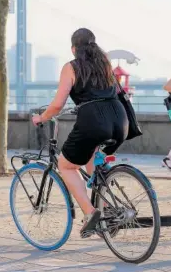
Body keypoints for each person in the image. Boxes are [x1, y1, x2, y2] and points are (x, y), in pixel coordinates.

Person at [31, 28, 128, 238]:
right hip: (120, 121)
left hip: (94, 122)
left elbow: (57, 105)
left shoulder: (72, 67)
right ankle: (106, 214)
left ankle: (91, 213)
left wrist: (41, 117)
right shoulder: (105, 63)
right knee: (94, 162)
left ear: (74, 48)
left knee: (66, 165)